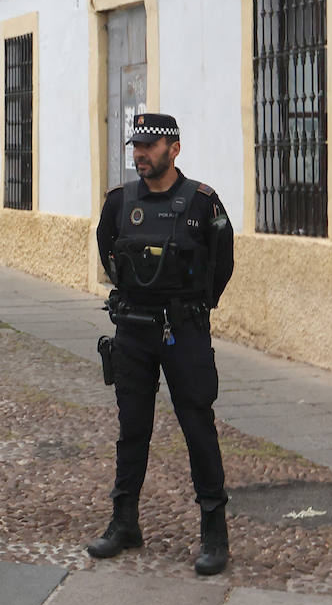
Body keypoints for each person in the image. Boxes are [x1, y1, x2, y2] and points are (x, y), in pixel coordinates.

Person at [87, 113, 235, 576]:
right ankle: (124, 521)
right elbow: (105, 245)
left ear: (174, 148)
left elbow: (222, 260)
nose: (140, 154)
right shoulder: (119, 201)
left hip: (183, 329)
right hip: (133, 329)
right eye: (136, 145)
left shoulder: (201, 202)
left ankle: (214, 531)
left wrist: (195, 306)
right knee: (132, 428)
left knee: (197, 426)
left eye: (149, 146)